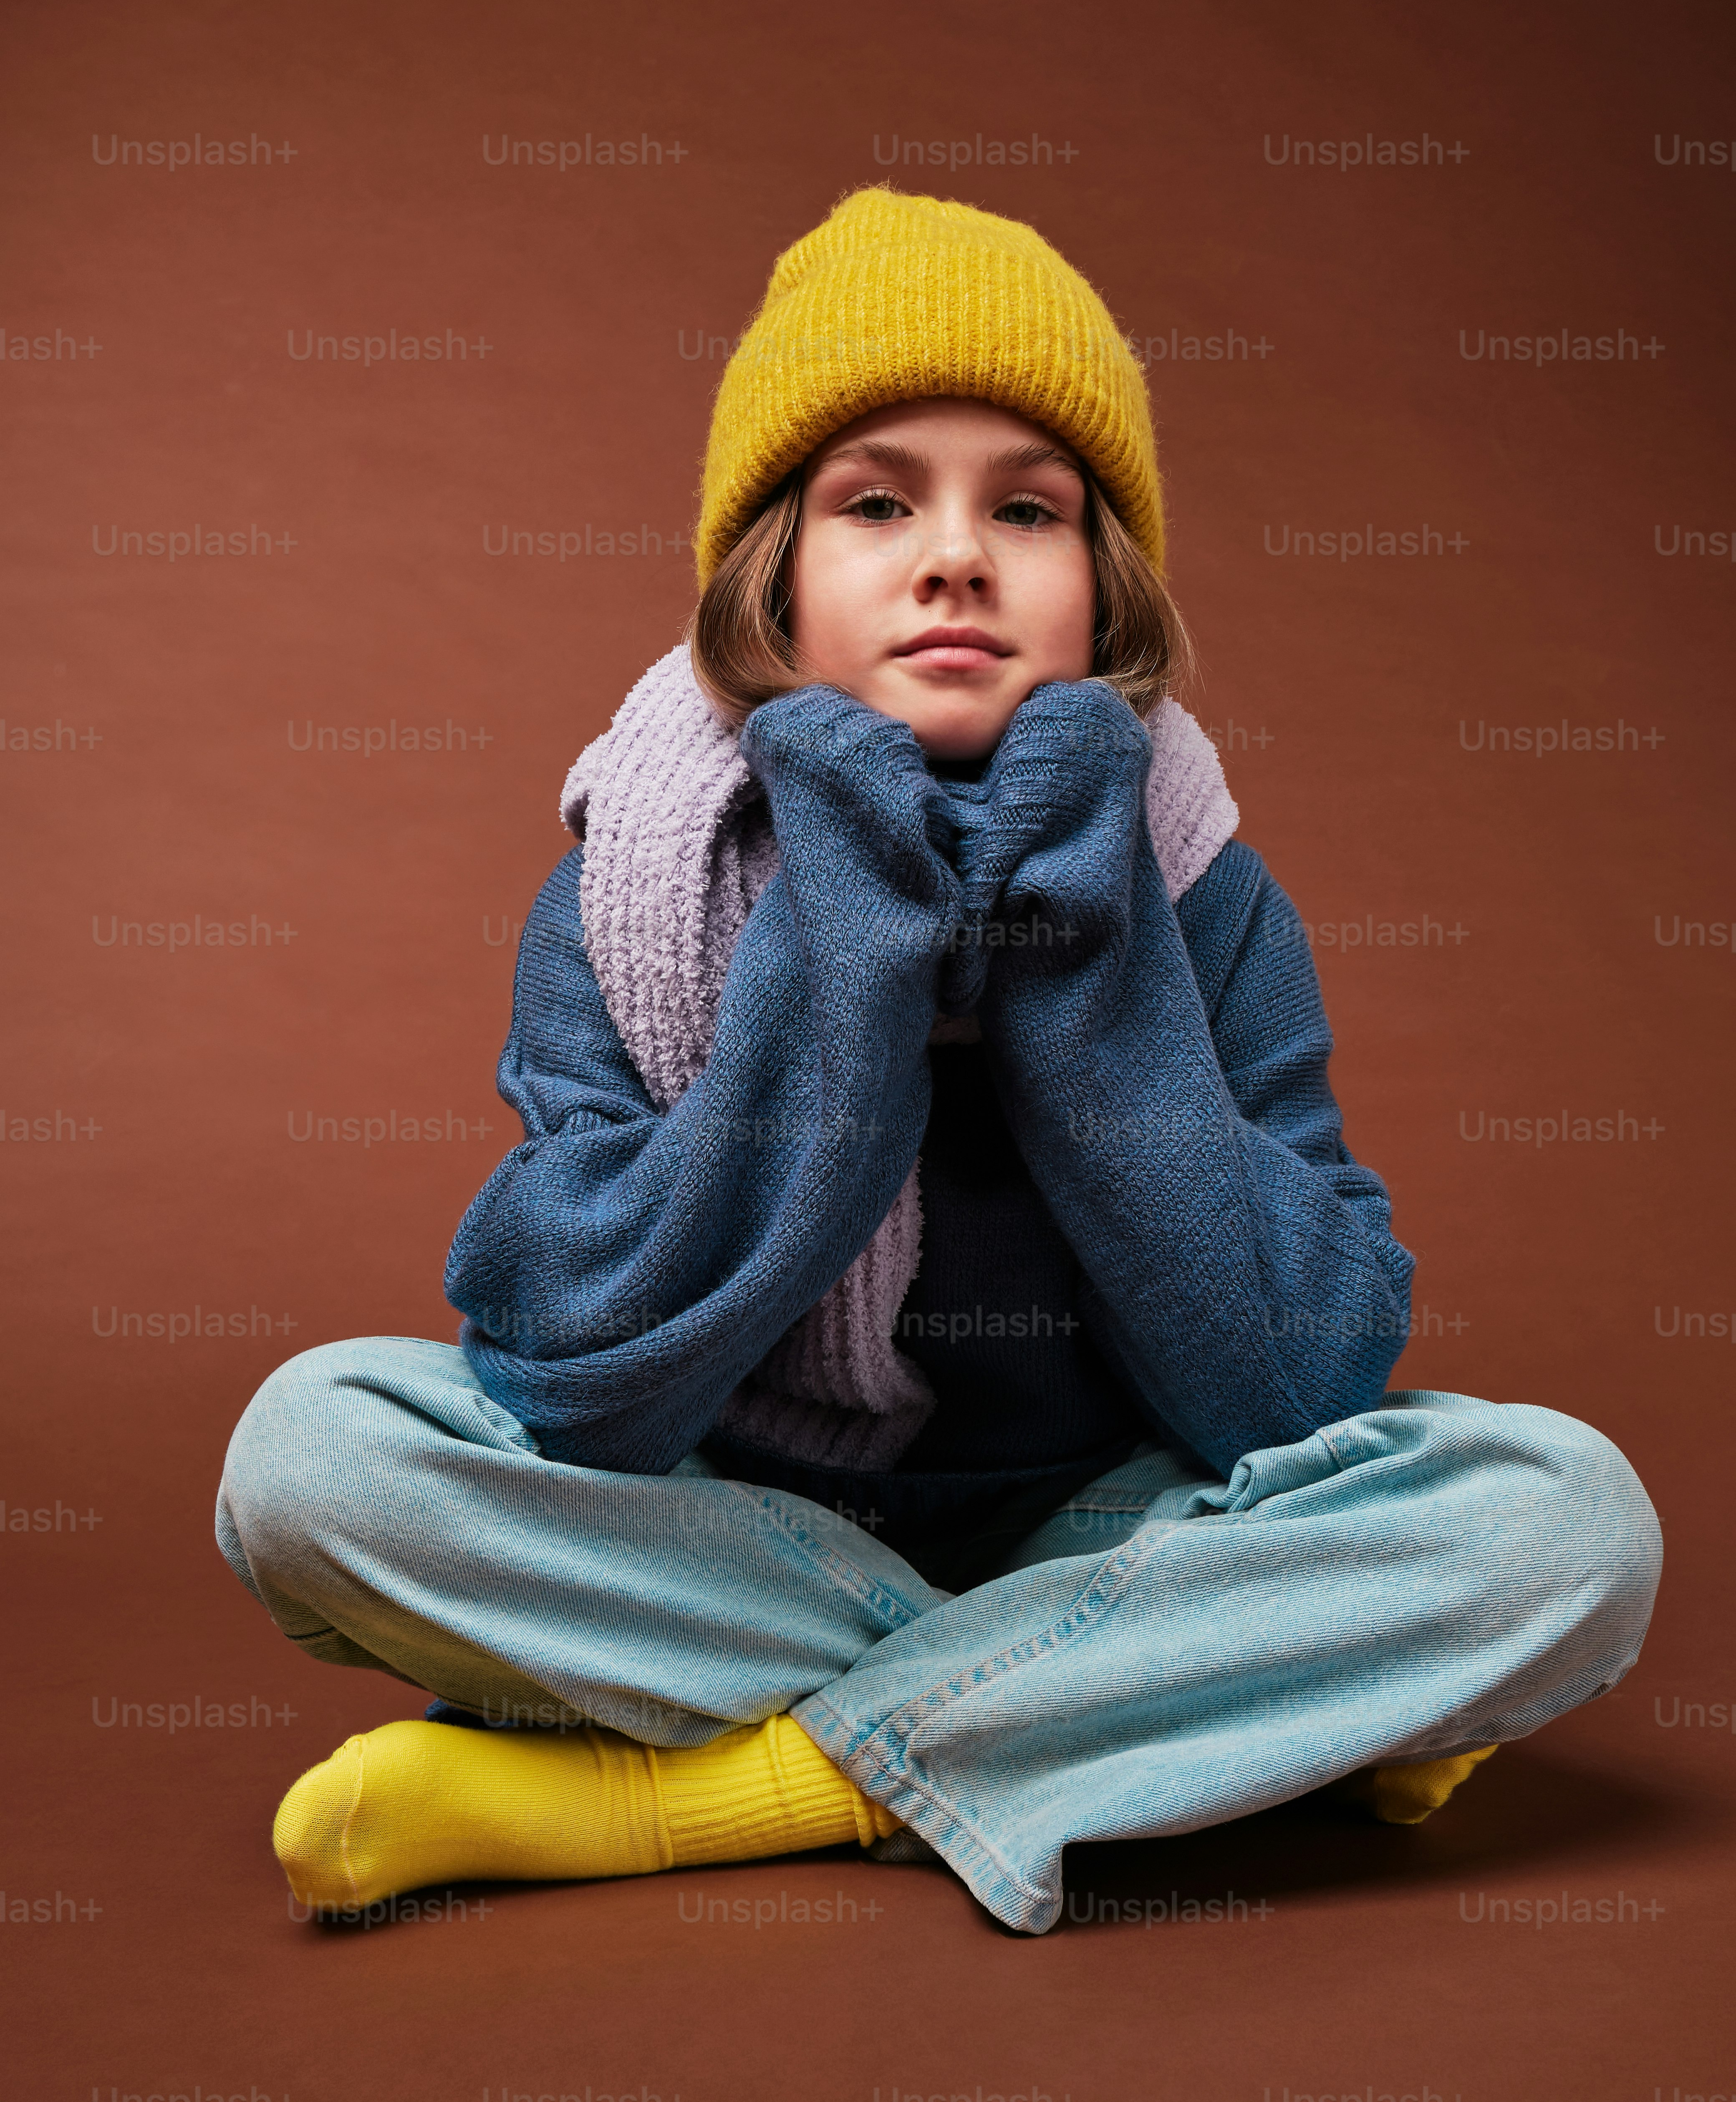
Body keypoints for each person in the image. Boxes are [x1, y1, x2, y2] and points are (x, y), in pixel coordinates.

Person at [217, 189, 1661, 1936]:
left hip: (1113, 1529)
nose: (954, 555)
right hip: (718, 1530)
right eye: (878, 501)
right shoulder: (623, 892)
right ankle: (1191, 1714)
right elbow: (584, 1386)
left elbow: (1289, 1393)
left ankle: (700, 1799)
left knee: (1559, 1528)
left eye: (1028, 509)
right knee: (312, 1461)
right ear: (771, 576)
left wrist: (1079, 957)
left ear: (1101, 585)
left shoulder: (1206, 892)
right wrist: (841, 945)